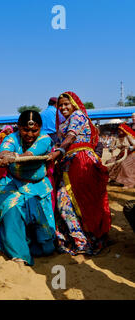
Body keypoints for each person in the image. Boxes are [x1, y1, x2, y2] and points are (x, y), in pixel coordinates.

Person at [0, 110, 56, 266]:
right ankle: (19, 254)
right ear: (18, 127)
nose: (30, 134)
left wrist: (15, 158)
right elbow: (4, 150)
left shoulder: (45, 139)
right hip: (13, 185)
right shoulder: (11, 138)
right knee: (13, 209)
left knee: (47, 248)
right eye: (26, 129)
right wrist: (4, 156)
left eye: (34, 130)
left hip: (39, 188)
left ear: (40, 128)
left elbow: (30, 154)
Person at [48, 91, 111, 256]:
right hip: (67, 164)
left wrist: (59, 151)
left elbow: (70, 137)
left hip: (82, 163)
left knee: (84, 202)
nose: (62, 108)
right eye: (60, 105)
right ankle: (79, 240)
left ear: (74, 104)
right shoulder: (64, 122)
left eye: (66, 104)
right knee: (64, 202)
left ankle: (87, 240)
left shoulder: (78, 116)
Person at [106, 123, 135, 188]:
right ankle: (114, 179)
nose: (119, 131)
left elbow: (134, 145)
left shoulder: (128, 136)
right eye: (119, 130)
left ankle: (129, 183)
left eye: (121, 130)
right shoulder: (117, 138)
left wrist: (130, 147)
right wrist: (111, 149)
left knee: (124, 164)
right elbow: (112, 146)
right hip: (121, 154)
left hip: (131, 154)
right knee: (110, 162)